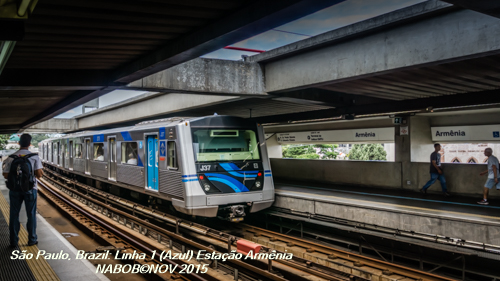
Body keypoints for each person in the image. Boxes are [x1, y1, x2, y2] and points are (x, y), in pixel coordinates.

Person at [2, 134, 43, 247]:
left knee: (14, 214)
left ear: (19, 143)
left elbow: (5, 175)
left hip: (15, 190)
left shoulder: (11, 157)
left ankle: (13, 241)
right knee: (31, 214)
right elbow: (39, 175)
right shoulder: (34, 157)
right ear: (29, 144)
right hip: (30, 189)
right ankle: (32, 240)